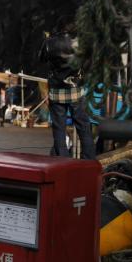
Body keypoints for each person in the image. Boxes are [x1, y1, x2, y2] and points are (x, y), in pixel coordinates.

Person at [38, 17, 96, 159]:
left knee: (59, 127)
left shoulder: (50, 42)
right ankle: (88, 158)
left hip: (57, 91)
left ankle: (62, 160)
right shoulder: (80, 42)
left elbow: (41, 59)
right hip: (76, 88)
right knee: (83, 126)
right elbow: (90, 61)